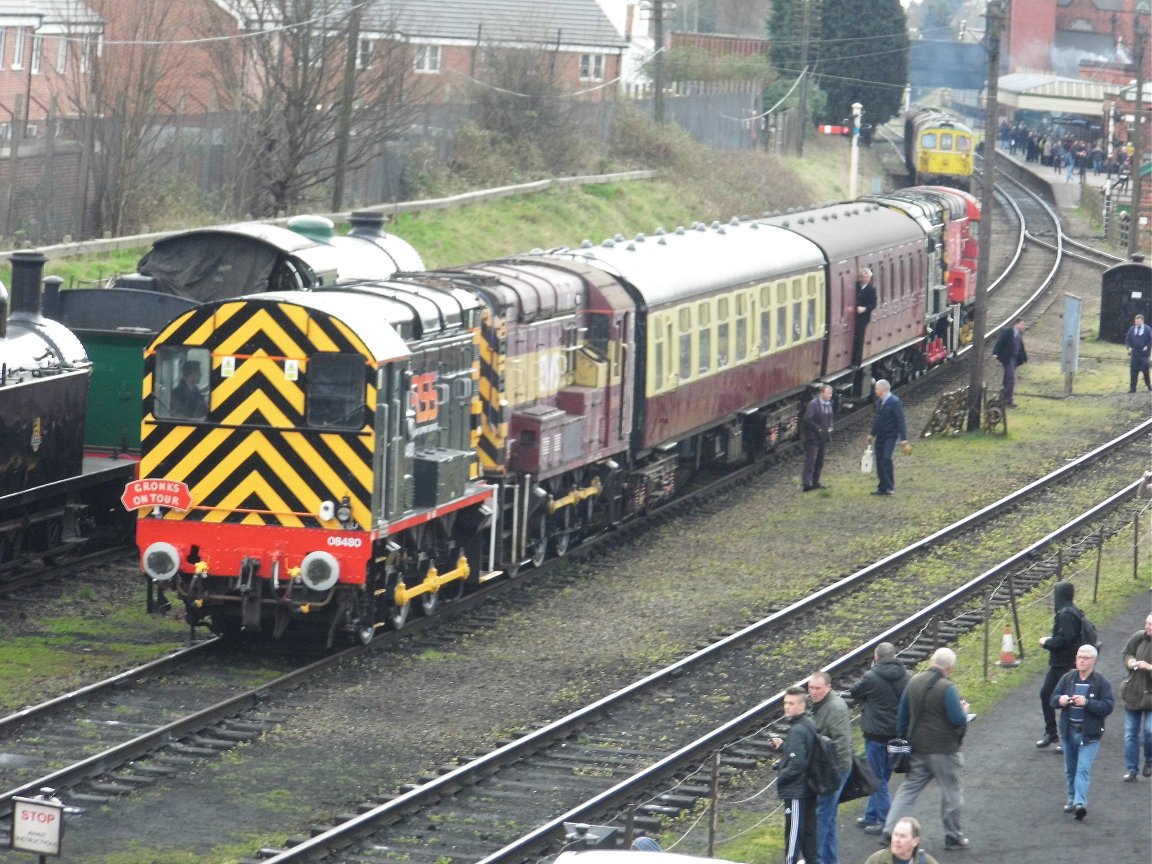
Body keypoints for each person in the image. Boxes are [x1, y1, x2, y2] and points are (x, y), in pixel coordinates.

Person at [881, 647, 969, 851]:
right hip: (944, 750)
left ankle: (890, 830)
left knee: (908, 790)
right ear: (950, 668)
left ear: (931, 660)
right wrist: (964, 711)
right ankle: (953, 836)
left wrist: (904, 742)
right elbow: (957, 719)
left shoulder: (913, 682)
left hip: (917, 748)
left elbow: (902, 718)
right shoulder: (947, 687)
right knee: (951, 791)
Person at [850, 642, 911, 834]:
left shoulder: (871, 676)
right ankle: (871, 815)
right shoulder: (907, 677)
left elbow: (854, 691)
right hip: (897, 735)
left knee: (876, 778)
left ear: (876, 657)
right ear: (894, 656)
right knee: (883, 775)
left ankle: (886, 822)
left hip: (875, 735)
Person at [1051, 644, 1114, 820]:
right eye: (1079, 657)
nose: (1081, 660)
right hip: (1069, 731)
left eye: (1085, 658)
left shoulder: (1101, 682)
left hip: (1090, 734)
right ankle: (1071, 798)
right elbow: (1052, 699)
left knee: (1083, 768)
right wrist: (1061, 700)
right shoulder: (1068, 678)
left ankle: (1080, 803)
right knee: (1070, 769)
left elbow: (1108, 707)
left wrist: (1087, 703)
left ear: (1093, 661)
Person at [770, 686, 819, 864]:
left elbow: (798, 763)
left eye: (791, 703)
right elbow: (802, 752)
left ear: (801, 706)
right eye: (785, 703)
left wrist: (781, 776)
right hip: (809, 789)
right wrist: (784, 746)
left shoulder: (798, 730)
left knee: (793, 834)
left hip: (797, 791)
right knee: (808, 834)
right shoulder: (807, 724)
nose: (787, 707)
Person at [809, 670, 852, 864]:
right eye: (811, 688)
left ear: (828, 687)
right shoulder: (822, 704)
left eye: (818, 688)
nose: (813, 692)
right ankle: (828, 860)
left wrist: (833, 776)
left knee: (821, 817)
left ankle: (813, 857)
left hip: (833, 772)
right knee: (829, 817)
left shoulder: (834, 708)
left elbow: (840, 745)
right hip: (830, 769)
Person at [1036, 580, 1083, 750]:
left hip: (1065, 664)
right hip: (1060, 664)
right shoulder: (1072, 611)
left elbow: (1064, 639)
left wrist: (1046, 642)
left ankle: (1066, 738)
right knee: (1046, 694)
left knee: (1067, 700)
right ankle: (1052, 734)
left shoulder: (1066, 614)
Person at [1120, 613, 1152, 781]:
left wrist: (1149, 667)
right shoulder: (1138, 637)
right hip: (1132, 693)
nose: (1147, 627)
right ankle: (1132, 769)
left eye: (1151, 625)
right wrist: (1130, 662)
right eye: (1147, 623)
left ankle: (1149, 760)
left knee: (1150, 730)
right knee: (1130, 734)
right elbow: (1126, 653)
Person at [868, 379, 909, 496]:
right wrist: (872, 434)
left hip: (890, 436)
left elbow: (900, 420)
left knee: (886, 458)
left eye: (876, 388)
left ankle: (890, 486)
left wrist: (903, 439)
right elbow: (877, 420)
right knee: (879, 460)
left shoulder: (895, 402)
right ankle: (882, 486)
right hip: (880, 436)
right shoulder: (879, 402)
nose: (875, 391)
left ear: (882, 389)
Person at [801, 383, 835, 491]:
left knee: (819, 460)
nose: (830, 395)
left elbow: (830, 417)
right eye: (828, 393)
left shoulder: (828, 404)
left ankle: (815, 481)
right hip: (813, 437)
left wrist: (830, 428)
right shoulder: (813, 404)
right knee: (811, 460)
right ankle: (807, 483)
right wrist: (818, 429)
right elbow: (807, 420)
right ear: (822, 393)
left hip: (823, 437)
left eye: (831, 393)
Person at [864, 816, 940, 864]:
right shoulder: (877, 860)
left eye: (902, 836)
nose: (897, 839)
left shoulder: (925, 861)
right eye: (895, 834)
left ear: (915, 841)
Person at [991, 319, 1027, 408]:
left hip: (1014, 359)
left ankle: (1004, 399)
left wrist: (1023, 357)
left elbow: (1020, 346)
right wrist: (995, 353)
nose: (1024, 327)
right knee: (1011, 379)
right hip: (1008, 358)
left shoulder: (1019, 334)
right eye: (1022, 325)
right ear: (1016, 324)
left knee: (1007, 379)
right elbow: (1000, 342)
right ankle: (1006, 400)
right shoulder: (1008, 331)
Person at [853, 267, 878, 367]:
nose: (865, 279)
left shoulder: (871, 289)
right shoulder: (856, 287)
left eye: (867, 277)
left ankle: (857, 362)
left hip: (863, 318)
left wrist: (864, 309)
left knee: (859, 338)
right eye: (863, 277)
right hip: (854, 316)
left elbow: (874, 304)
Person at [1124, 313, 1152, 393]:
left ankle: (1149, 386)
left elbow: (1150, 340)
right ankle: (1132, 389)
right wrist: (1128, 347)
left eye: (1139, 321)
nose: (1137, 323)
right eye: (1136, 321)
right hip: (1135, 354)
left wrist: (1147, 347)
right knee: (1133, 372)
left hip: (1144, 355)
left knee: (1146, 372)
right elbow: (1127, 339)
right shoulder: (1132, 329)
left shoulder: (1147, 329)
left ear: (1142, 321)